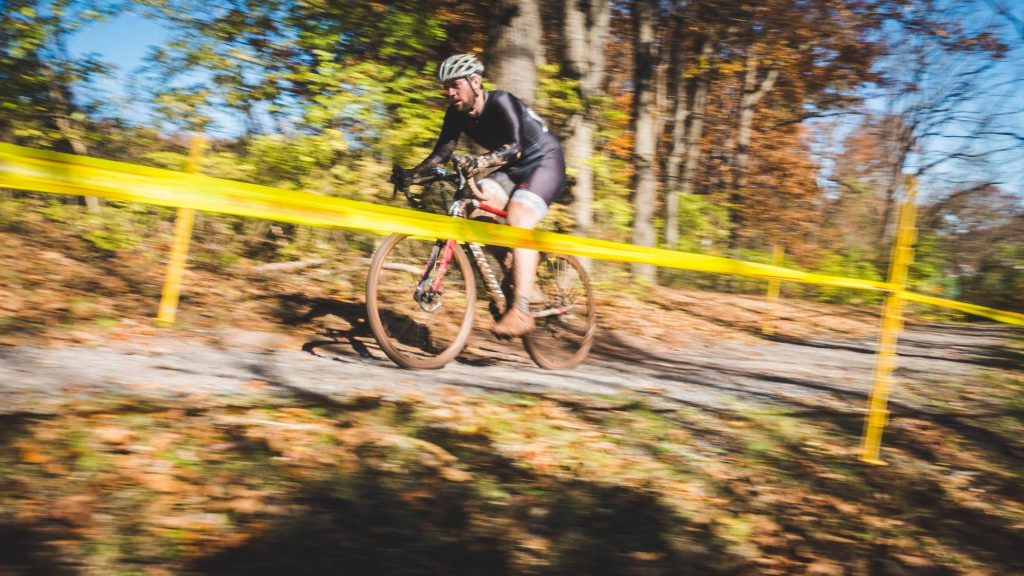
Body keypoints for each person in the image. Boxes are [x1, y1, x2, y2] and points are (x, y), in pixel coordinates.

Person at [401, 53, 567, 337]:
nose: (451, 92)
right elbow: (440, 156)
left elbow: (515, 147)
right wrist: (410, 175)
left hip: (544, 161)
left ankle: (522, 311)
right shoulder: (455, 115)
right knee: (474, 206)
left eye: (455, 85)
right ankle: (521, 275)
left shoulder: (501, 101)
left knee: (519, 215)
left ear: (475, 81)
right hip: (515, 169)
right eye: (446, 88)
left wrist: (479, 162)